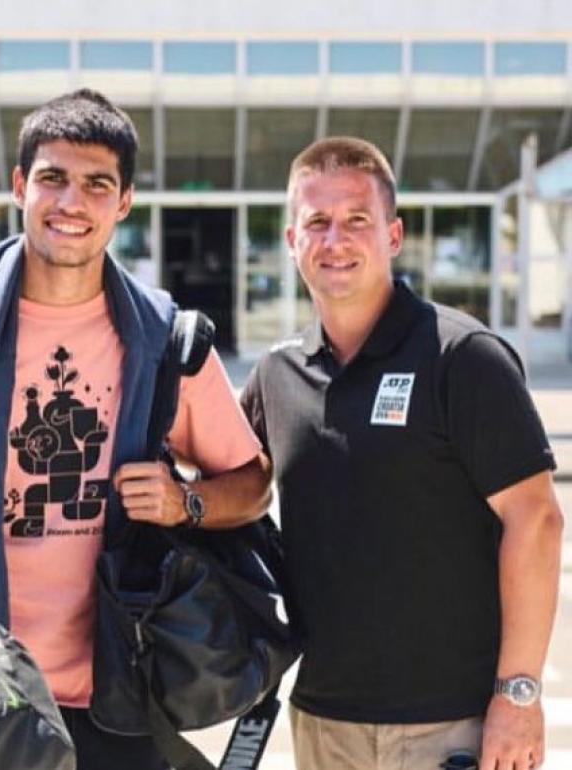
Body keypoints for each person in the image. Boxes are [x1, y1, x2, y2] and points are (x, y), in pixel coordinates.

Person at [0, 89, 272, 770]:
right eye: (52, 179)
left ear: (124, 202)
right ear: (18, 187)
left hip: (118, 691)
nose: (72, 202)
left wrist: (187, 502)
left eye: (97, 184)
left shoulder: (167, 345)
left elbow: (252, 485)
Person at [239, 136, 564, 770]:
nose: (336, 240)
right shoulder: (278, 375)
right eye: (318, 223)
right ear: (291, 241)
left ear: (392, 236)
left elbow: (538, 521)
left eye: (357, 220)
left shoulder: (461, 357)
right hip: (323, 721)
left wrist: (518, 697)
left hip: (452, 726)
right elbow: (234, 483)